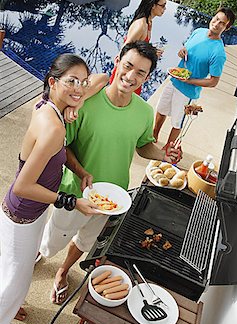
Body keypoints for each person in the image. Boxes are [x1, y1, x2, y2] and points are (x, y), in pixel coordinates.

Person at [39, 41, 182, 304]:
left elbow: (143, 146)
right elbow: (64, 145)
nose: (131, 76)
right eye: (128, 66)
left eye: (140, 72)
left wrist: (164, 154)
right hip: (75, 193)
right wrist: (81, 171)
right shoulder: (86, 103)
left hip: (114, 198)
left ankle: (63, 271)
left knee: (85, 241)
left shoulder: (143, 111)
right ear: (117, 61)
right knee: (51, 242)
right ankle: (41, 253)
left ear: (147, 78)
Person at [0, 54, 106, 324]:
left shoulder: (47, 105)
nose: (80, 87)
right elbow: (23, 185)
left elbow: (102, 79)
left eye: (82, 82)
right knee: (17, 279)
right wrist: (72, 201)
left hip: (28, 211)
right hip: (23, 212)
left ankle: (7, 306)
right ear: (53, 82)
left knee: (10, 270)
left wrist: (80, 171)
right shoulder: (54, 128)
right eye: (71, 81)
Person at [153, 7, 236, 148]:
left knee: (177, 122)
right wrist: (182, 51)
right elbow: (186, 50)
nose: (216, 24)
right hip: (174, 80)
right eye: (216, 19)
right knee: (161, 110)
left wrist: (189, 81)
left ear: (226, 27)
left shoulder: (218, 52)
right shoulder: (198, 32)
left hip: (187, 92)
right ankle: (154, 135)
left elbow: (213, 81)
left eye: (222, 23)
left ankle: (167, 148)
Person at [109, 0, 167, 95]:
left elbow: (137, 46)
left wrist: (152, 51)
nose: (165, 8)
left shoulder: (149, 22)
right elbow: (126, 50)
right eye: (162, 5)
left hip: (134, 73)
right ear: (153, 5)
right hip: (126, 76)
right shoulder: (140, 25)